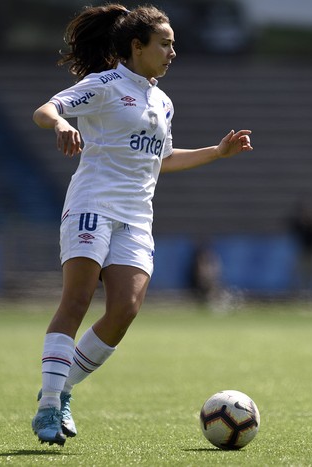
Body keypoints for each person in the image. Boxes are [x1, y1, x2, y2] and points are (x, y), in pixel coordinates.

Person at [30, 3, 253, 446]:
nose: (173, 52)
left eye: (174, 44)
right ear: (137, 46)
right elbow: (46, 108)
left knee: (124, 310)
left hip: (136, 217)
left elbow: (161, 159)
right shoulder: (106, 84)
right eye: (165, 44)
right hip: (93, 204)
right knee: (75, 301)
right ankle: (49, 407)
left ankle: (61, 388)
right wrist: (60, 125)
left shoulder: (163, 101)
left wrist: (217, 152)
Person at [288, 195, 312, 291]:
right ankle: (299, 293)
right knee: (300, 275)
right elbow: (294, 229)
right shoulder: (300, 223)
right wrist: (304, 223)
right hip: (303, 251)